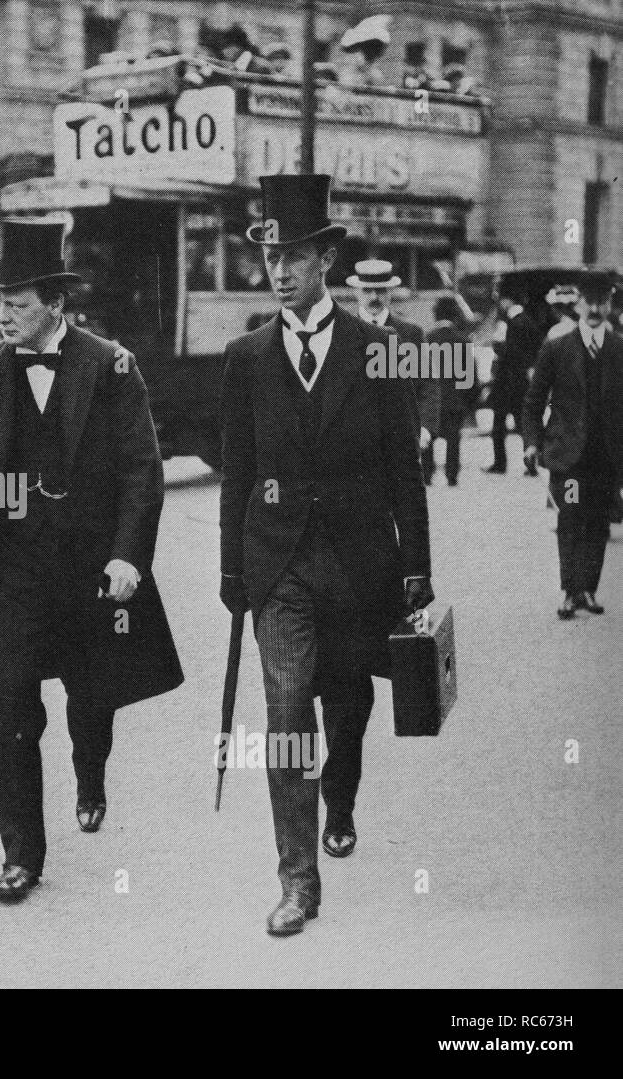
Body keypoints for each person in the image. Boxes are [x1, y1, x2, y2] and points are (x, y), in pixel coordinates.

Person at [0, 219, 182, 903]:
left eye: (15, 300)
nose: (1, 313)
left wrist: (130, 555)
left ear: (55, 302)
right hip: (12, 570)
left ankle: (90, 770)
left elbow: (141, 471)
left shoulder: (108, 365)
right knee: (11, 706)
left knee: (89, 695)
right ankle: (22, 853)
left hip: (89, 568)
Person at [219, 175, 432, 936]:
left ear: (325, 262)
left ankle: (339, 797)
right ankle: (296, 880)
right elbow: (235, 472)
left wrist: (417, 570)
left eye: (296, 256)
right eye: (273, 256)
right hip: (280, 567)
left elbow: (405, 468)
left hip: (360, 562)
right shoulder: (246, 355)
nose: (281, 270)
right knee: (285, 714)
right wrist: (231, 569)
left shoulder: (378, 350)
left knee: (348, 702)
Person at [522, 272, 623, 619]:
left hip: (605, 459)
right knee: (570, 518)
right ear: (578, 303)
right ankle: (570, 591)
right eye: (589, 301)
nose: (595, 308)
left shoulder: (619, 349)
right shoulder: (557, 347)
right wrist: (532, 443)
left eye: (602, 302)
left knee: (597, 522)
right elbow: (533, 402)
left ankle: (589, 591)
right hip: (569, 459)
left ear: (609, 305)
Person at [347, 259, 435, 482]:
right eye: (368, 291)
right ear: (357, 292)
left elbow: (426, 384)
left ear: (390, 293)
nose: (374, 297)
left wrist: (425, 427)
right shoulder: (341, 332)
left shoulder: (410, 333)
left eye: (381, 290)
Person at [487, 278, 544, 475]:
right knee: (523, 425)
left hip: (506, 382)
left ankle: (499, 463)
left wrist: (499, 348)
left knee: (499, 425)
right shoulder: (529, 322)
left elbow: (509, 353)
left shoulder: (512, 324)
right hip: (521, 382)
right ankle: (531, 462)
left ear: (507, 300)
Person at [423, 296, 475, 486]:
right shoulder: (462, 341)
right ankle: (451, 475)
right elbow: (470, 378)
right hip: (455, 401)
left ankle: (426, 474)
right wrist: (467, 401)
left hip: (431, 400)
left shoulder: (426, 339)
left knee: (428, 437)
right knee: (453, 439)